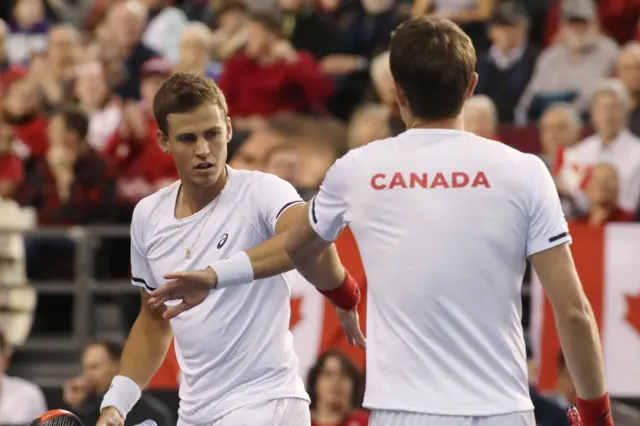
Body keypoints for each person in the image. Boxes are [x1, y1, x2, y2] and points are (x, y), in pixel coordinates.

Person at [283, 16, 612, 426]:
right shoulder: (524, 171)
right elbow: (574, 311)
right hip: (501, 410)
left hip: (403, 412)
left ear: (397, 92)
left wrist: (343, 293)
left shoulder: (357, 168)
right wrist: (598, 416)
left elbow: (296, 247)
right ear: (472, 86)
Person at [96, 72, 350, 426]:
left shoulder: (263, 192)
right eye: (187, 138)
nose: (203, 150)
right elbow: (154, 318)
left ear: (228, 129)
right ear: (164, 142)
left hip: (268, 402)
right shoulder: (148, 216)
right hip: (196, 411)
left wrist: (214, 276)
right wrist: (116, 404)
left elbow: (311, 239)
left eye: (212, 134)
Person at [63, 340, 173, 426]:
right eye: (85, 368)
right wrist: (74, 406)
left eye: (94, 367)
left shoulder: (151, 412)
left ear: (116, 365)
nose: (87, 374)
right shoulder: (82, 408)